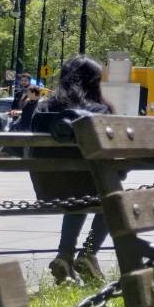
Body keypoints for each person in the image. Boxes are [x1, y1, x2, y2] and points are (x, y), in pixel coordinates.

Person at [30, 57, 113, 285]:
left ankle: (64, 256)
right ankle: (88, 253)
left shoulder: (43, 108)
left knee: (79, 194)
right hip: (89, 187)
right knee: (112, 197)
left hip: (48, 187)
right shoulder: (98, 111)